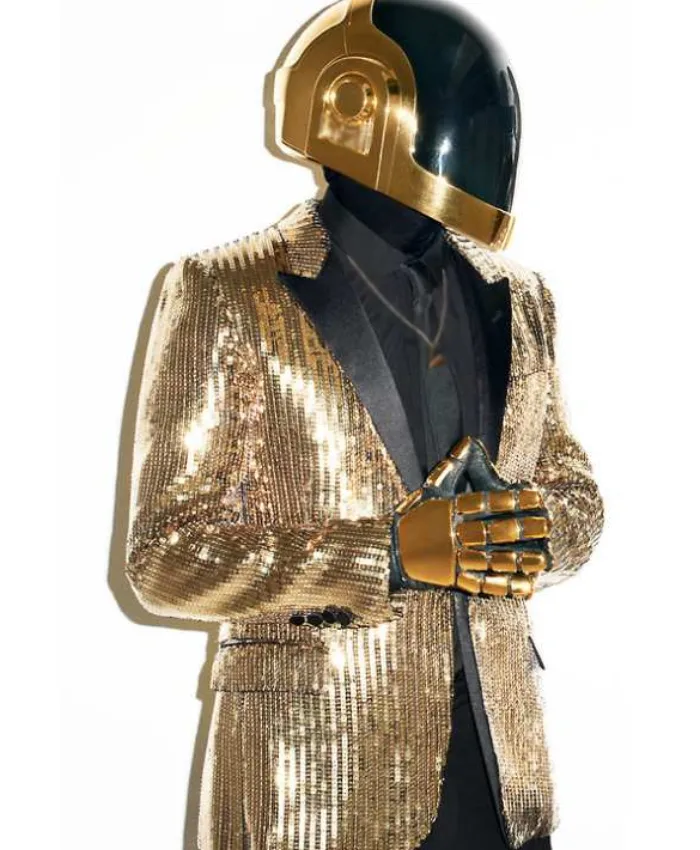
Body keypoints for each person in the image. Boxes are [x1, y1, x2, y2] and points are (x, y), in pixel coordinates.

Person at [123, 2, 604, 848]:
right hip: (315, 780)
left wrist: (531, 531)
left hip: (501, 773)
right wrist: (386, 555)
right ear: (355, 105)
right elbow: (165, 557)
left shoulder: (520, 296)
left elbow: (575, 493)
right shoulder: (223, 290)